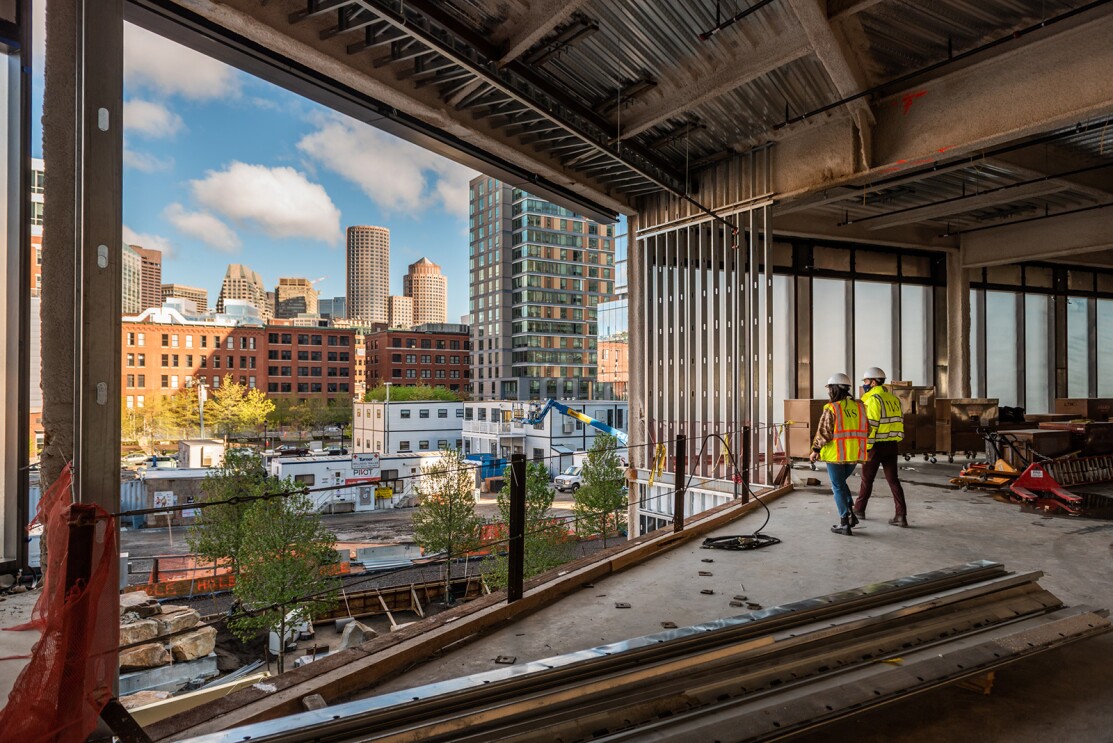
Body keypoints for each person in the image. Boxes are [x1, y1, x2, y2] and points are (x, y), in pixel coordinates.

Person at [809, 373, 869, 536]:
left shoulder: (832, 408)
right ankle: (851, 516)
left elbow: (824, 432)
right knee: (841, 483)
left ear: (834, 389)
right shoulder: (860, 406)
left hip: (836, 454)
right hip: (855, 453)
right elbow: (867, 429)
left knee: (837, 486)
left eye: (830, 389)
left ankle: (845, 521)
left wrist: (815, 450)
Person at [852, 367, 909, 527]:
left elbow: (871, 426)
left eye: (866, 381)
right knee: (893, 481)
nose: (864, 384)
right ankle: (901, 515)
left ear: (874, 381)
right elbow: (899, 423)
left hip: (875, 446)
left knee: (866, 480)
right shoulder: (894, 399)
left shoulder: (873, 400)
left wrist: (867, 448)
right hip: (892, 445)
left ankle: (859, 510)